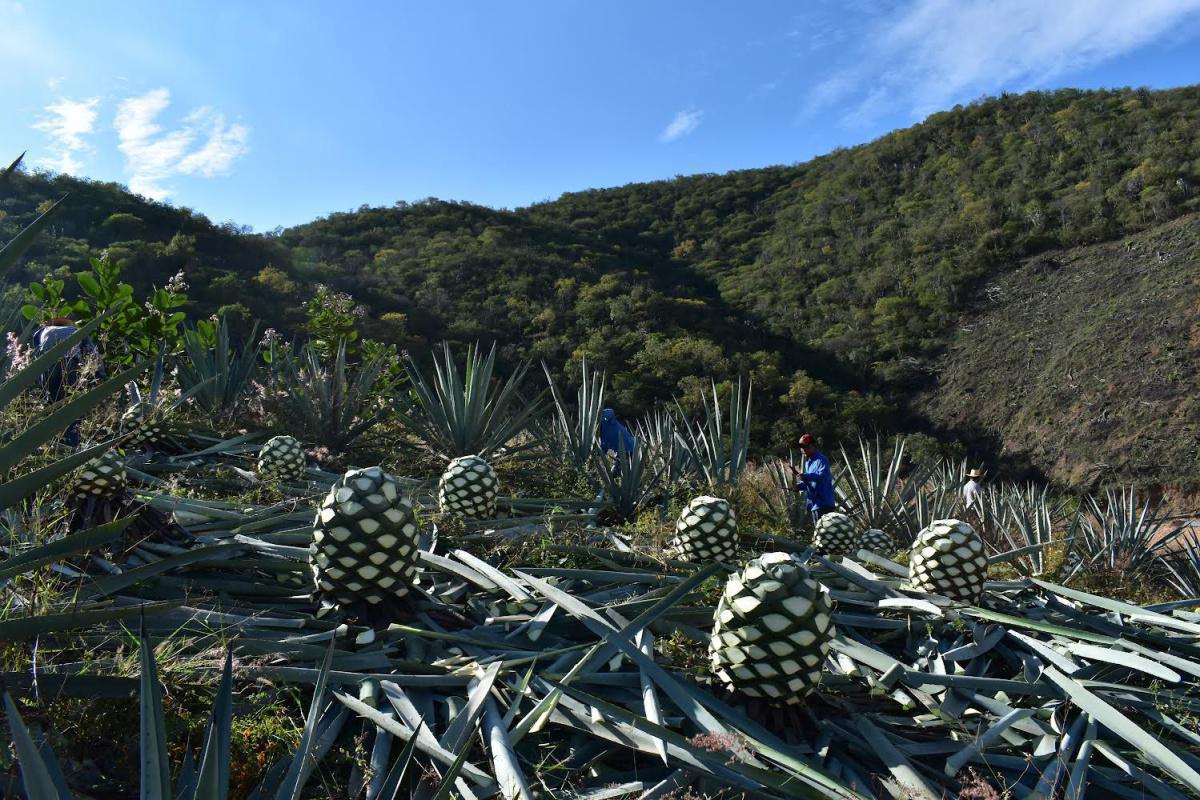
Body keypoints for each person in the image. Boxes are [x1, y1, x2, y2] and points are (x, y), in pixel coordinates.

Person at [31, 316, 105, 448]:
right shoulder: (76, 330)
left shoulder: (40, 332)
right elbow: (93, 354)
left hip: (47, 366)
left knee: (51, 405)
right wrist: (101, 377)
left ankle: (53, 443)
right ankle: (71, 444)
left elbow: (35, 356)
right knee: (71, 406)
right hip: (69, 363)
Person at [588, 408, 636, 523]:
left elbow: (603, 446)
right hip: (633, 449)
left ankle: (613, 502)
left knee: (613, 478)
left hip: (625, 452)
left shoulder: (604, 426)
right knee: (624, 476)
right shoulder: (613, 423)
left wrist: (592, 459)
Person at [794, 433, 836, 521]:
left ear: (813, 446)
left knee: (824, 534)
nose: (803, 449)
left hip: (824, 505)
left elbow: (823, 477)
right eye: (801, 447)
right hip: (814, 505)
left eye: (806, 446)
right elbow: (810, 483)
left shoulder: (821, 460)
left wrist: (806, 476)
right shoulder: (808, 462)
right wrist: (798, 486)